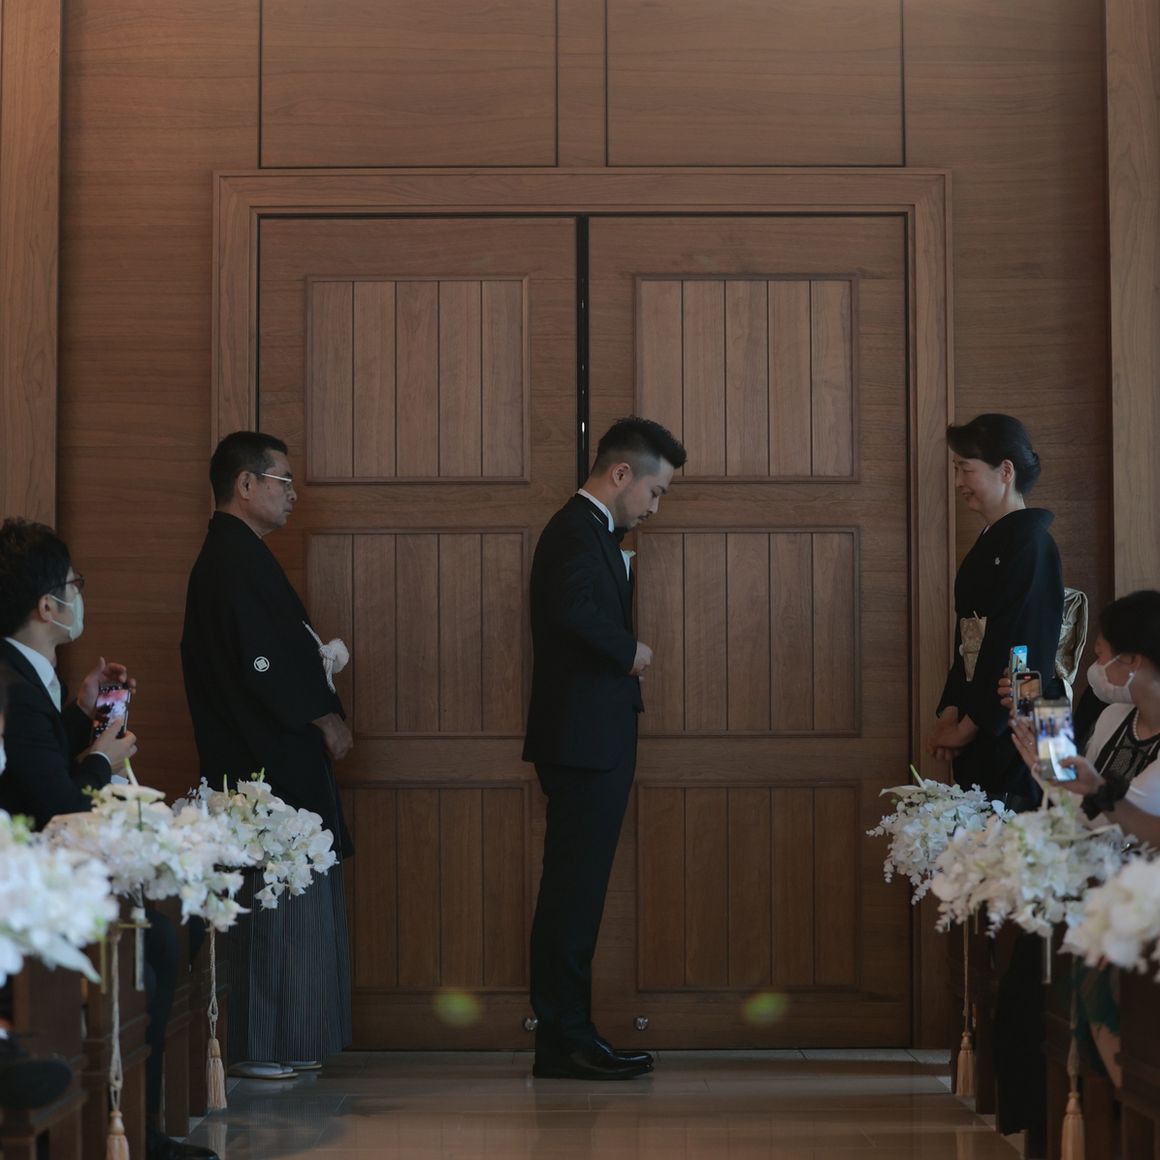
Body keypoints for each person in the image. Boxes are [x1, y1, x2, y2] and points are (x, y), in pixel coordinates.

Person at [0, 519, 212, 1160]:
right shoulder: (13, 685)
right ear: (48, 606)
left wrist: (82, 713)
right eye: (75, 585)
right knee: (156, 943)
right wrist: (102, 760)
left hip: (39, 873)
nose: (79, 596)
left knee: (165, 935)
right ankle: (133, 1130)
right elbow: (59, 805)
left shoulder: (23, 674)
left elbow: (37, 763)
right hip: (32, 884)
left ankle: (136, 1123)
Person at [181, 432, 353, 1078]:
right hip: (260, 765)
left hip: (280, 762)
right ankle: (262, 1043)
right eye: (283, 481)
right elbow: (260, 665)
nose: (292, 494)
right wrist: (322, 715)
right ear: (246, 484)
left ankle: (293, 1036)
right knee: (271, 900)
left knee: (295, 897)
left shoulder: (244, 556)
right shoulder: (228, 562)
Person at [523, 416, 686, 1081]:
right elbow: (568, 610)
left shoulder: (594, 531)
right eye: (655, 491)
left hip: (594, 738)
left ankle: (567, 1035)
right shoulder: (573, 530)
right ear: (621, 474)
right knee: (573, 894)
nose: (654, 508)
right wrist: (629, 651)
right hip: (583, 742)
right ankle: (565, 1039)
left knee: (579, 894)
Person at [925, 414, 1064, 810]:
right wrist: (954, 708)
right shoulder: (992, 541)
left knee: (1025, 828)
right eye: (956, 469)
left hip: (1025, 713)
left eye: (965, 469)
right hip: (986, 710)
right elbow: (967, 641)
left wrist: (969, 726)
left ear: (1006, 471)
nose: (958, 482)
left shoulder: (1033, 544)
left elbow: (1022, 648)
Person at [1011, 590, 1160, 847]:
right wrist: (1050, 764)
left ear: (1132, 661)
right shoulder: (1112, 716)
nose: (1096, 667)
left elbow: (1115, 824)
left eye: (1100, 655)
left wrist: (1050, 777)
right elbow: (1081, 811)